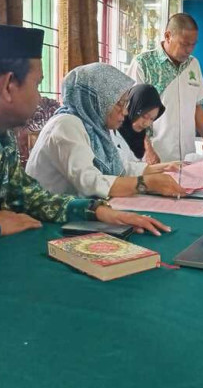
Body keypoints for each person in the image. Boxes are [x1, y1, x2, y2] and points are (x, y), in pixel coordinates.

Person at [0, 24, 172, 237]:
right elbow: (89, 183)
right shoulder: (65, 124)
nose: (39, 98)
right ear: (9, 85)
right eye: (37, 84)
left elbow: (28, 196)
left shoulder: (4, 138)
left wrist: (94, 211)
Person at [26, 62, 186, 199]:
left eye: (126, 104)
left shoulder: (94, 126)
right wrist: (146, 183)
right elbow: (90, 183)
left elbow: (118, 168)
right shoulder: (66, 125)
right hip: (48, 219)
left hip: (77, 212)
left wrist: (162, 168)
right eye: (119, 104)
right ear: (96, 101)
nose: (124, 112)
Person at [127, 13, 203, 162]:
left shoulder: (193, 64)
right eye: (185, 44)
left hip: (187, 157)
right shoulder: (144, 64)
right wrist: (147, 149)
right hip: (155, 156)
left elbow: (197, 106)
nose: (189, 50)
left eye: (193, 44)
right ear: (168, 36)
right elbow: (131, 113)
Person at [117, 84, 165, 162]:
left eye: (152, 119)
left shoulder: (140, 138)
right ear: (133, 108)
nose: (147, 123)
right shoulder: (113, 134)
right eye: (144, 116)